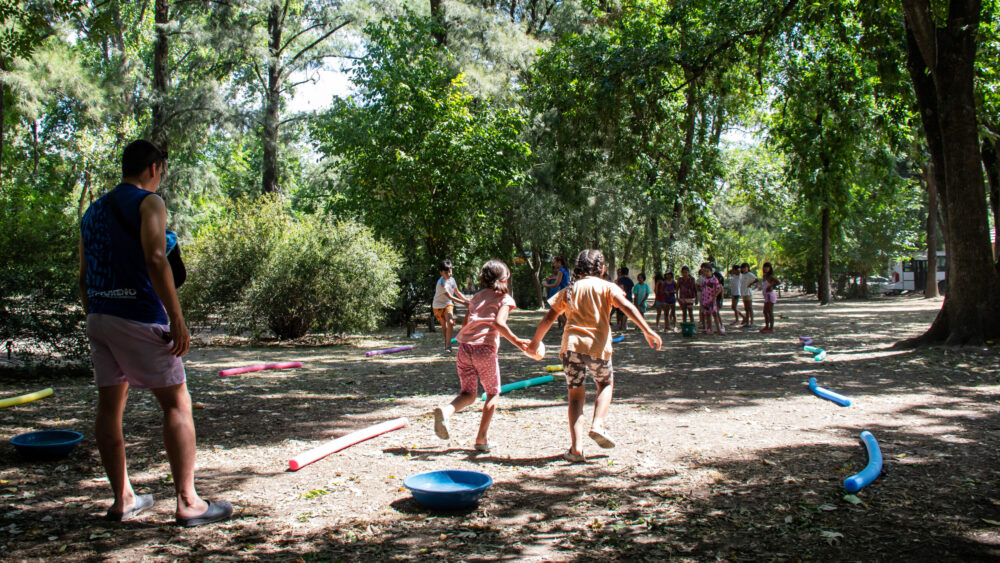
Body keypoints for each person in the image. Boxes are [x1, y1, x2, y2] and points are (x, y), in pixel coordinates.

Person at [78, 140, 232, 527]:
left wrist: (96, 313)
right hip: (139, 315)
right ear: (152, 168)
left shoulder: (92, 211)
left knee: (109, 408)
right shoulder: (150, 202)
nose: (160, 177)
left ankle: (123, 499)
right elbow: (156, 256)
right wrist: (176, 318)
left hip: (99, 315)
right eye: (161, 170)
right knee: (177, 403)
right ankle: (189, 502)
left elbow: (83, 275)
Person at [526, 250, 661, 462]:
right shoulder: (607, 287)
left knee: (575, 397)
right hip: (598, 348)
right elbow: (627, 306)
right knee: (605, 384)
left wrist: (534, 343)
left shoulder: (570, 289)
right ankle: (597, 424)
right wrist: (647, 330)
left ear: (577, 268)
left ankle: (576, 449)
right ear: (602, 268)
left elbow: (548, 319)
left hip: (571, 348)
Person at [433, 260, 529, 452]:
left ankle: (447, 411)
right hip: (484, 350)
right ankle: (481, 439)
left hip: (464, 348)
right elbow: (499, 324)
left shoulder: (476, 297)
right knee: (492, 393)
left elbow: (466, 323)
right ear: (504, 280)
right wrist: (518, 342)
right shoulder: (505, 299)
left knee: (468, 394)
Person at [432, 259, 470, 353]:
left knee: (450, 322)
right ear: (441, 273)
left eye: (450, 271)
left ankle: (448, 346)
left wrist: (466, 300)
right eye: (446, 272)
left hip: (448, 304)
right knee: (444, 325)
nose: (449, 274)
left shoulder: (452, 280)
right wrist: (464, 303)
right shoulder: (441, 284)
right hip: (438, 306)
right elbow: (450, 296)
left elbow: (457, 292)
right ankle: (447, 342)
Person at [542, 256, 570, 329]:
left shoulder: (561, 271)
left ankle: (567, 326)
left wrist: (546, 285)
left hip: (562, 292)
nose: (554, 264)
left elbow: (556, 284)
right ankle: (566, 326)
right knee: (561, 311)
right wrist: (552, 278)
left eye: (555, 262)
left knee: (555, 311)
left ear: (559, 262)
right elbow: (560, 279)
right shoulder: (565, 270)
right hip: (566, 291)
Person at [698, 263, 724, 334]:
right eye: (705, 271)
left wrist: (715, 296)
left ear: (711, 272)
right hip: (705, 299)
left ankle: (718, 329)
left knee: (715, 314)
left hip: (712, 299)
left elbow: (719, 289)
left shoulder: (714, 280)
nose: (706, 273)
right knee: (707, 315)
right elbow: (702, 287)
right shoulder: (704, 280)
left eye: (708, 271)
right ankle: (709, 329)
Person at [760, 262, 780, 333]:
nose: (766, 268)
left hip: (770, 295)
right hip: (766, 296)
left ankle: (771, 327)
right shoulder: (765, 276)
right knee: (765, 312)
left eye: (767, 267)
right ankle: (767, 326)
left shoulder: (771, 276)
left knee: (769, 311)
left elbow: (778, 282)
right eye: (765, 267)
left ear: (770, 268)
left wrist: (771, 286)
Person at [739, 262, 759, 328]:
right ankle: (747, 322)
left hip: (748, 293)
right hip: (743, 292)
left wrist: (751, 284)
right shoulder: (742, 275)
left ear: (748, 268)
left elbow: (757, 279)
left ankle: (752, 322)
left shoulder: (750, 274)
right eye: (743, 268)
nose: (744, 269)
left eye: (745, 268)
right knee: (746, 308)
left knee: (750, 308)